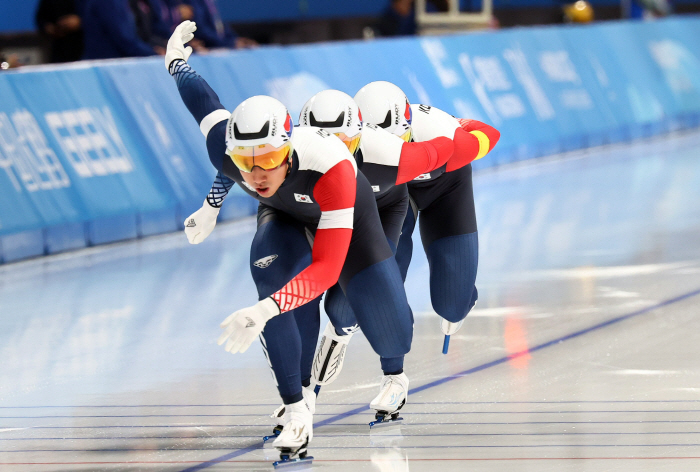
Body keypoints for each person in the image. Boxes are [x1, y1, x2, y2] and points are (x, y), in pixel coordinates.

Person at [165, 21, 413, 461]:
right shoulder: (225, 148)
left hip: (348, 217)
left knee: (384, 326)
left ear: (288, 148)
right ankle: (296, 407)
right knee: (274, 279)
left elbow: (327, 268)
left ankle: (371, 355)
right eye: (246, 161)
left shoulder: (331, 166)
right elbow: (200, 98)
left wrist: (261, 311)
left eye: (269, 159)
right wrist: (175, 60)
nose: (257, 174)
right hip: (285, 215)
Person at [82, 0, 162, 59]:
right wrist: (152, 53)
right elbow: (124, 39)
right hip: (107, 65)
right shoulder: (109, 2)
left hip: (112, 64)